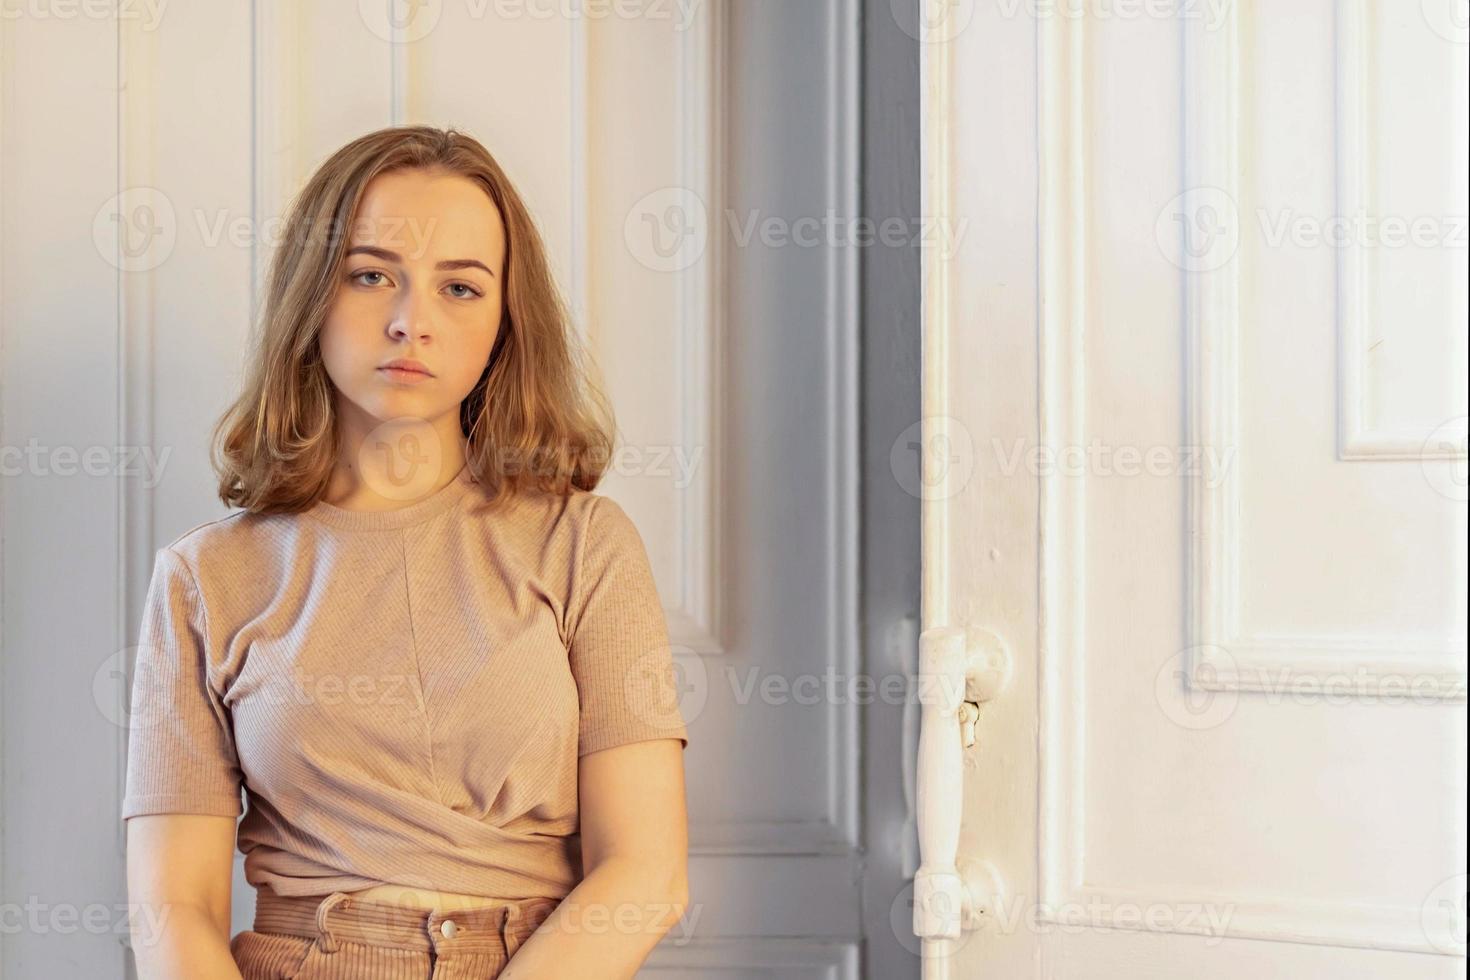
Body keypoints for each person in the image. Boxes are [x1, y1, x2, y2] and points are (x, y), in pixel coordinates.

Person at [121, 124, 691, 979]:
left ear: (505, 321)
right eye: (371, 274)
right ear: (312, 295)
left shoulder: (586, 546)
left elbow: (646, 872)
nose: (409, 322)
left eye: (460, 287)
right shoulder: (206, 580)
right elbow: (173, 911)